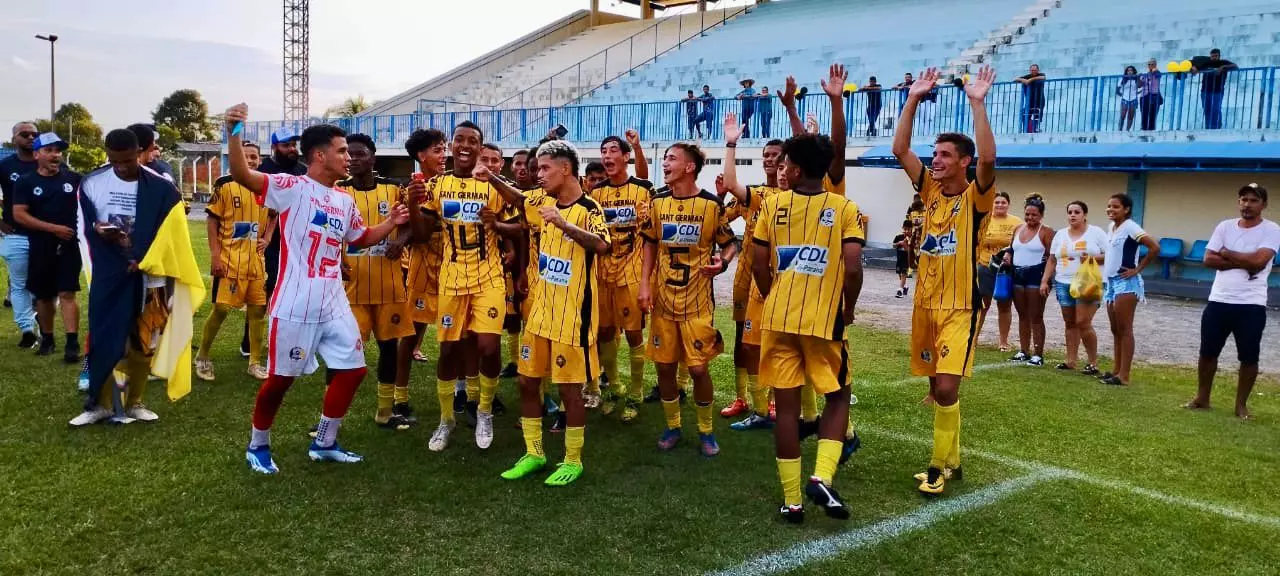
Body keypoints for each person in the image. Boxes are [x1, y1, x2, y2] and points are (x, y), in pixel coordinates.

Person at [224, 105, 409, 474]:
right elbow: (243, 174)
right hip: (296, 302)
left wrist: (392, 221)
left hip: (335, 301)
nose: (348, 159)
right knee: (280, 380)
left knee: (354, 370)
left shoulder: (344, 200)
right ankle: (257, 445)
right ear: (320, 155)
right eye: (342, 151)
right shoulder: (291, 187)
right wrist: (233, 130)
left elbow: (358, 239)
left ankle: (325, 441)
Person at [891, 65, 998, 495]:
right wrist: (914, 98)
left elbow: (989, 159)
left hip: (960, 305)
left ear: (964, 163)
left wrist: (977, 101)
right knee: (937, 387)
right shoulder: (930, 192)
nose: (935, 161)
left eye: (945, 156)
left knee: (949, 386)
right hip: (925, 303)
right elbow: (900, 148)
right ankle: (953, 459)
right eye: (934, 154)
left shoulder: (977, 197)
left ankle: (937, 467)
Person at [752, 127, 864, 522]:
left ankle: (791, 501)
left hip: (778, 318)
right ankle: (821, 476)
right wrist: (848, 307)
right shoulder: (845, 207)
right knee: (838, 395)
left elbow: (756, 262)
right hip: (823, 320)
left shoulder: (772, 205)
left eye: (785, 163)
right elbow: (852, 267)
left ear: (795, 170)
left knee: (786, 411)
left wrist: (772, 296)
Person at [499, 140, 610, 486]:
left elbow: (603, 245)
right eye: (538, 168)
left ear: (566, 169)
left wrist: (563, 225)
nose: (539, 174)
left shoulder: (590, 208)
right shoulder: (541, 200)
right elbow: (517, 197)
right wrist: (490, 176)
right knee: (526, 382)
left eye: (546, 168)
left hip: (573, 318)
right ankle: (534, 453)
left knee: (569, 392)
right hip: (541, 312)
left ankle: (572, 460)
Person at [71, 129, 195, 427]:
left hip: (150, 276)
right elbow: (83, 228)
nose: (121, 166)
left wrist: (143, 258)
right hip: (111, 274)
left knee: (145, 343)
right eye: (114, 160)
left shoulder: (162, 188)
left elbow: (173, 234)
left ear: (139, 152)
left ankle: (136, 401)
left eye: (127, 160)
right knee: (103, 338)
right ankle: (98, 405)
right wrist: (100, 233)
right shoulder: (92, 183)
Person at [418, 121, 513, 451]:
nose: (465, 145)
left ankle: (484, 410)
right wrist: (414, 207)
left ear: (480, 148)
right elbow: (421, 232)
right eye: (459, 139)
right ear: (451, 144)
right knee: (448, 350)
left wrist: (497, 224)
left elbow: (520, 227)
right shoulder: (437, 185)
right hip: (452, 279)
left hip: (489, 277)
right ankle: (446, 419)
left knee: (488, 347)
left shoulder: (494, 186)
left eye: (473, 141)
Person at [638, 141, 738, 456]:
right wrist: (644, 283)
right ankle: (673, 426)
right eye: (665, 159)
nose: (665, 163)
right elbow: (650, 244)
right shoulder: (657, 202)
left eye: (671, 159)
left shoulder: (711, 205)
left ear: (689, 167)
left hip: (697, 303)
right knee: (665, 369)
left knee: (698, 370)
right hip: (664, 301)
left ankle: (706, 431)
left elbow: (729, 243)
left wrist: (723, 262)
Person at [336, 133, 417, 429]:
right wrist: (337, 258)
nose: (353, 159)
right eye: (349, 154)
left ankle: (385, 410)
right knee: (343, 351)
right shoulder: (337, 192)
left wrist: (402, 241)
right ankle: (333, 415)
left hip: (389, 286)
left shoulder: (394, 190)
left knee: (388, 348)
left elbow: (411, 226)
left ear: (372, 157)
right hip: (349, 289)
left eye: (359, 154)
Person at [1187, 184, 1278, 419]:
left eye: (1253, 200)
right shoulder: (1225, 226)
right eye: (1243, 199)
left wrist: (1227, 253)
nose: (1247, 204)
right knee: (1208, 352)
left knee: (1249, 356)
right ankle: (1202, 398)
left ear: (1263, 205)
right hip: (1219, 300)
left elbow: (1260, 261)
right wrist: (1244, 262)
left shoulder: (1271, 230)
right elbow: (1208, 259)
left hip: (1251, 304)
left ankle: (1241, 405)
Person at [719, 111, 784, 428]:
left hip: (777, 280)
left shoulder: (792, 197)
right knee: (743, 342)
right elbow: (721, 220)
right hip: (746, 277)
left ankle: (771, 401)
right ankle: (743, 396)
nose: (770, 161)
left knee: (774, 341)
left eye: (776, 156)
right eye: (766, 156)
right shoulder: (754, 194)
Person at [194, 141, 270, 381]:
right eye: (245, 156)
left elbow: (275, 215)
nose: (250, 160)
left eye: (254, 157)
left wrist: (267, 238)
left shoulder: (266, 187)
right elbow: (212, 221)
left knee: (258, 312)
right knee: (221, 309)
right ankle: (203, 357)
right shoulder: (225, 184)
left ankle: (255, 362)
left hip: (256, 262)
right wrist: (215, 255)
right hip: (229, 260)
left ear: (259, 160)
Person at [592, 130, 653, 422]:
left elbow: (644, 177)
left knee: (633, 333)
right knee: (604, 331)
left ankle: (636, 392)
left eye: (613, 150)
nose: (607, 156)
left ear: (625, 157)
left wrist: (638, 145)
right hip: (603, 270)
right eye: (604, 151)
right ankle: (614, 387)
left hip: (631, 268)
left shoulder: (641, 189)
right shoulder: (596, 194)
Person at [397, 129, 450, 438]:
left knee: (452, 336)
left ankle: (457, 393)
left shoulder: (452, 185)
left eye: (444, 149)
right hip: (421, 269)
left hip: (451, 269)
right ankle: (400, 397)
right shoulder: (411, 188)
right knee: (411, 334)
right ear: (421, 156)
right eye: (437, 150)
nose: (444, 155)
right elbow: (410, 232)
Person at [11, 133, 81, 361]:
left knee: (67, 293)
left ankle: (72, 342)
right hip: (40, 246)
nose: (55, 155)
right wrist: (53, 229)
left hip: (69, 245)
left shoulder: (74, 179)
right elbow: (19, 214)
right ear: (37, 153)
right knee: (44, 296)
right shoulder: (25, 181)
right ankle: (48, 339)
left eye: (58, 150)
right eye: (49, 150)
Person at [246, 127, 306, 361]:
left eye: (294, 144)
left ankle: (287, 339)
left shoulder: (303, 171)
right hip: (269, 242)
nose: (292, 149)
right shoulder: (263, 172)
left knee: (296, 290)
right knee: (263, 292)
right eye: (286, 145)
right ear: (273, 147)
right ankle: (250, 343)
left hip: (298, 241)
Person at [1100, 193, 1160, 386]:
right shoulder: (1111, 227)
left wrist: (1138, 269)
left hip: (1126, 283)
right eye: (1109, 206)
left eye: (1116, 207)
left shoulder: (1131, 227)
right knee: (1115, 328)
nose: (1111, 210)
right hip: (1110, 283)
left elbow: (1154, 247)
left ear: (1126, 209)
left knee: (1125, 329)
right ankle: (1116, 370)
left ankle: (1124, 375)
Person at [1040, 201, 1107, 373]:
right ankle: (1071, 360)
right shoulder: (1061, 234)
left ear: (1084, 215)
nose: (1073, 215)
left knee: (1083, 322)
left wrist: (1092, 259)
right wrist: (1045, 280)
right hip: (1063, 281)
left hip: (1088, 282)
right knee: (1070, 322)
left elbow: (1110, 255)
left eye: (1077, 212)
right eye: (1070, 212)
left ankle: (1093, 362)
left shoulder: (1096, 233)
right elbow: (1052, 259)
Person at [0, 122, 41, 348]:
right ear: (14, 138)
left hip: (46, 234)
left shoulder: (48, 162)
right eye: (24, 134)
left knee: (45, 286)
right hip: (15, 234)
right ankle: (27, 329)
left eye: (35, 134)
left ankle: (41, 324)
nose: (30, 137)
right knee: (19, 284)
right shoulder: (5, 166)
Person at [1006, 194, 1053, 366]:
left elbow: (1051, 257)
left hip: (1036, 274)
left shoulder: (1046, 232)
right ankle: (1023, 350)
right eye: (1027, 214)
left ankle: (1038, 353)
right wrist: (1007, 255)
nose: (1030, 218)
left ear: (1041, 215)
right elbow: (1011, 248)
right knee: (1022, 314)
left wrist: (1045, 280)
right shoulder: (1018, 228)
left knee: (1036, 315)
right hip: (1017, 274)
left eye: (1034, 215)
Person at [976, 192, 1021, 351]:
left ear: (1008, 204)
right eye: (997, 202)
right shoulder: (984, 220)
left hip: (1006, 269)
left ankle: (1003, 342)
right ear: (992, 204)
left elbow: (1021, 244)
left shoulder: (1017, 222)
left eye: (1003, 202)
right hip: (985, 265)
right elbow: (976, 243)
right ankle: (973, 338)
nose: (1000, 205)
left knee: (1004, 304)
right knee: (982, 304)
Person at [1193, 48, 1236, 130]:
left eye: (1216, 56)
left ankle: (1217, 127)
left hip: (1217, 91)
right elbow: (1196, 67)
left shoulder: (1223, 62)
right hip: (1205, 91)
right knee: (1207, 110)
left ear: (1219, 56)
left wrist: (1223, 67)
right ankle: (1208, 128)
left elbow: (1235, 66)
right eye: (1212, 56)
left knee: (1216, 110)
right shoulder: (1206, 63)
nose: (1214, 58)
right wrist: (1194, 68)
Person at [1015, 64, 1046, 133]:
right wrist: (1025, 80)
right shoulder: (1028, 76)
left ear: (1038, 70)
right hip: (1030, 101)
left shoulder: (1040, 75)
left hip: (1039, 100)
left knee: (1037, 115)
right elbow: (1016, 79)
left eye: (1035, 70)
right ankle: (1028, 130)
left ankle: (1036, 129)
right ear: (1030, 70)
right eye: (1032, 70)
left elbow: (1043, 77)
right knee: (1026, 114)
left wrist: (1031, 79)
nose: (1033, 71)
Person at [1138, 59, 1163, 131]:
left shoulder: (1158, 73)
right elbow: (1139, 85)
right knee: (1144, 113)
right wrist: (1138, 78)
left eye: (1152, 64)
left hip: (1154, 95)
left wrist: (1154, 71)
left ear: (1155, 65)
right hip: (1144, 96)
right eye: (1149, 64)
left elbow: (1158, 75)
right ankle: (1144, 128)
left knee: (1153, 114)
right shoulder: (1145, 75)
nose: (1150, 66)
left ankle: (1151, 129)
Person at [1117, 66, 1141, 131]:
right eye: (1128, 70)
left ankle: (1127, 130)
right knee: (1123, 115)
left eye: (1131, 70)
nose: (1129, 72)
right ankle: (1120, 129)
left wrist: (1138, 77)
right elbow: (1117, 90)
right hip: (1125, 99)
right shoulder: (1123, 79)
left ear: (1133, 71)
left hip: (1133, 99)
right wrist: (1122, 94)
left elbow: (1139, 86)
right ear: (1126, 72)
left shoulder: (1136, 79)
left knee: (1131, 116)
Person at [893, 220, 912, 298]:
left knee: (904, 273)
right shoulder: (899, 236)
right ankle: (904, 287)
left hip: (907, 259)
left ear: (911, 229)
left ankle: (900, 290)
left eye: (908, 229)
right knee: (900, 273)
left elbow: (910, 252)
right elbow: (893, 245)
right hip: (899, 258)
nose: (906, 231)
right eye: (905, 229)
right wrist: (899, 243)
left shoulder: (912, 238)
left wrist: (905, 245)